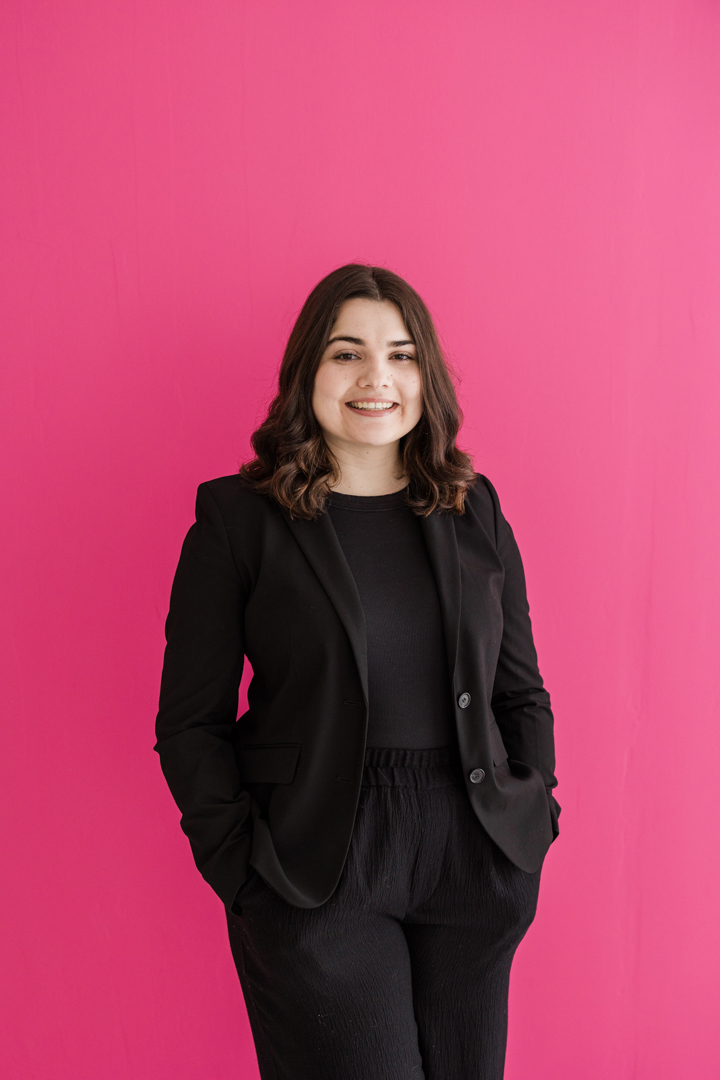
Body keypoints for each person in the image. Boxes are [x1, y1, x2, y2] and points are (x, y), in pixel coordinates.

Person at [155, 263, 560, 1080]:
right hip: (316, 861)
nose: (377, 378)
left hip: (471, 851)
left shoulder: (473, 507)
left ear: (426, 377)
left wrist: (531, 824)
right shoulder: (239, 519)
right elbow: (189, 721)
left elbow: (520, 690)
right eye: (348, 353)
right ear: (308, 370)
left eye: (402, 355)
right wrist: (241, 871)